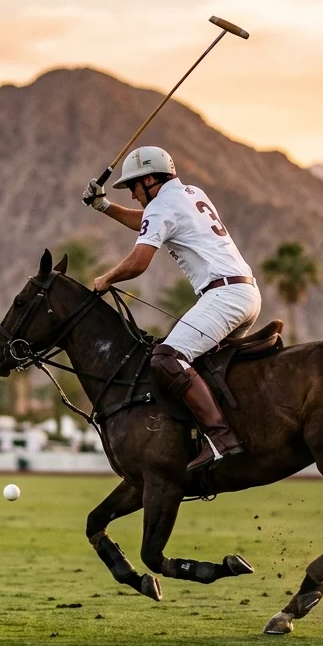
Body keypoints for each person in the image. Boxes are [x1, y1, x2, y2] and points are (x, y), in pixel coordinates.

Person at [82, 146, 260, 472]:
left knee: (167, 358)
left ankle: (220, 440)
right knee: (201, 366)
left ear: (150, 179)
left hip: (223, 296)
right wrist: (104, 206)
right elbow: (147, 221)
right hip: (246, 292)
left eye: (134, 187)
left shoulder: (162, 205)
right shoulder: (190, 193)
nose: (133, 195)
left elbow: (138, 262)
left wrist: (105, 279)